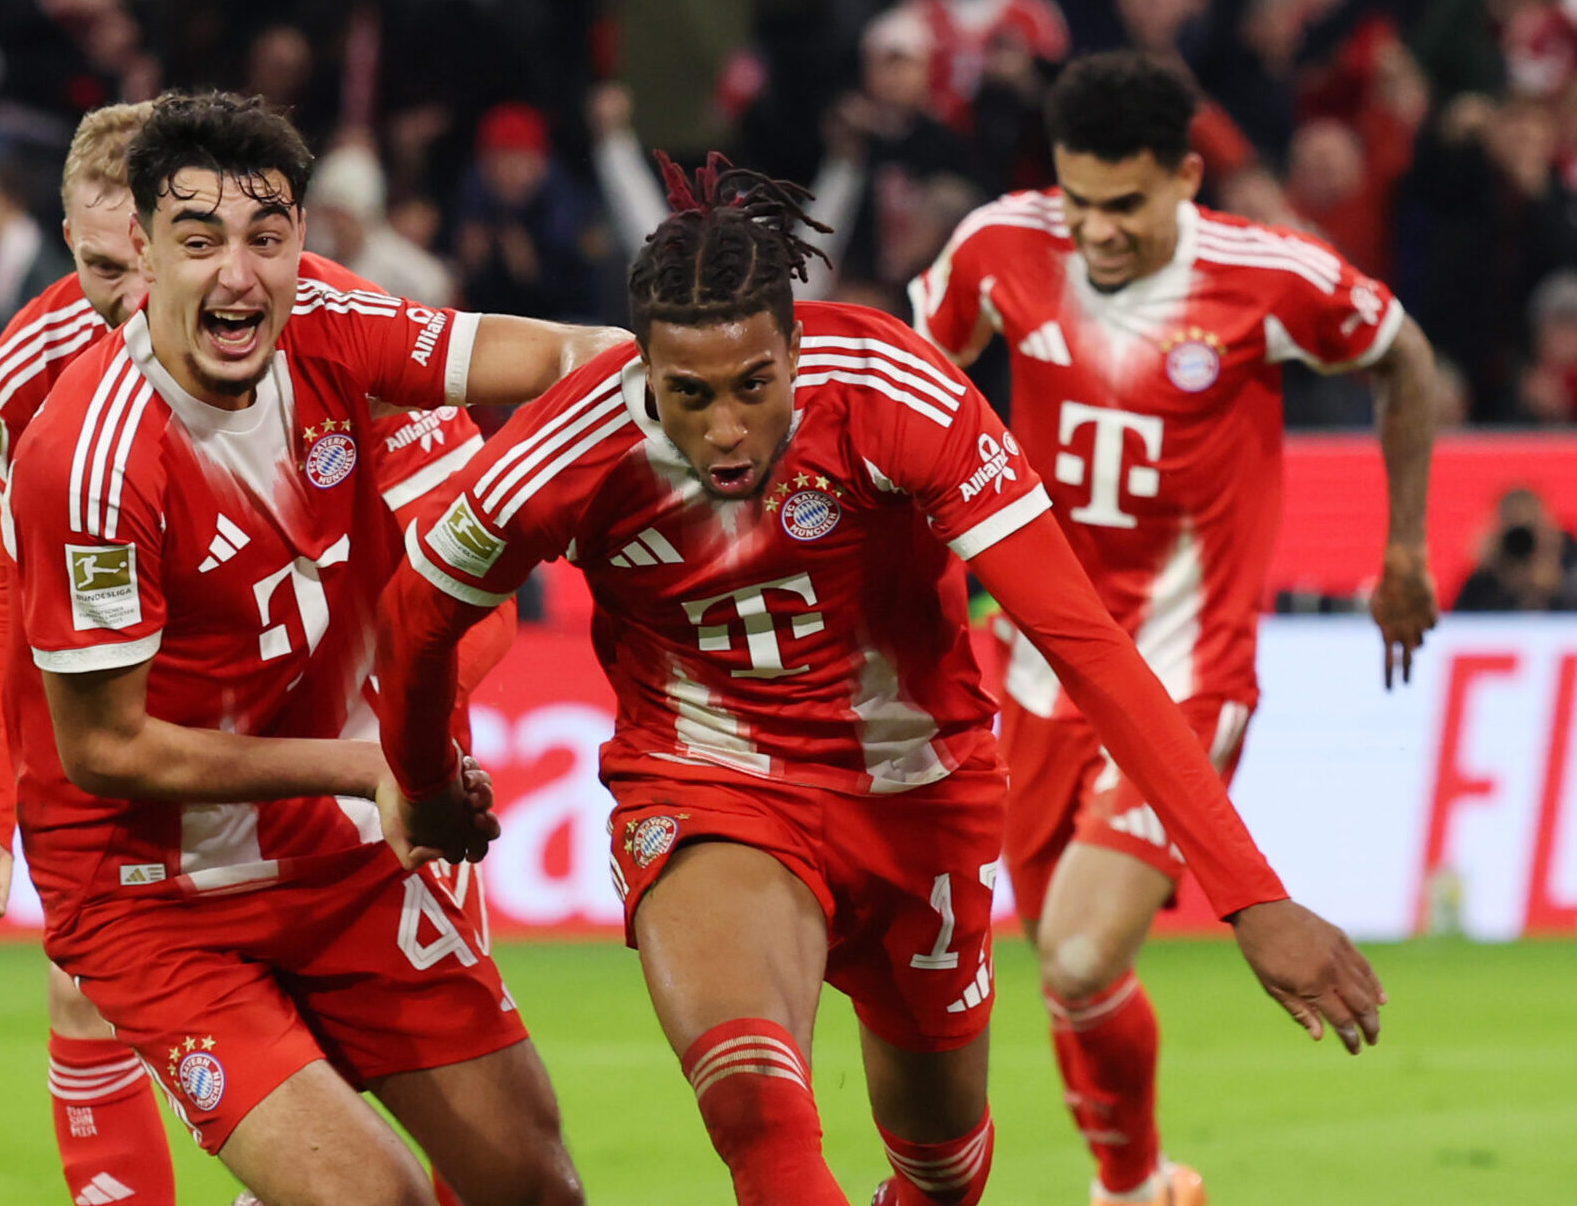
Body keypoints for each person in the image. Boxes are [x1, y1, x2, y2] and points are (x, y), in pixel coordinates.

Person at [373, 152, 1385, 1206]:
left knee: (944, 1169)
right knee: (758, 1111)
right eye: (690, 395)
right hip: (712, 791)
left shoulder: (895, 393)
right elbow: (416, 616)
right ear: (643, 375)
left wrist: (1249, 896)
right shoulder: (565, 451)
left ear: (795, 349)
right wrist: (423, 776)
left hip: (918, 796)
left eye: (753, 387)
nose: (725, 427)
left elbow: (1086, 645)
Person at [0, 93, 594, 1206]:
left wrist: (678, 385)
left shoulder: (342, 322)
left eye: (265, 240)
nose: (235, 274)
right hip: (157, 880)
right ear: (137, 250)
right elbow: (97, 735)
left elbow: (557, 385)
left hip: (347, 835)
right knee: (371, 1194)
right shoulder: (77, 440)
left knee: (530, 1185)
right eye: (193, 245)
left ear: (300, 240)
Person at [906, 52, 1439, 1205]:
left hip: (1186, 666)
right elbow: (913, 387)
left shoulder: (1268, 275)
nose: (1095, 231)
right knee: (1062, 968)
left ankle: (1123, 1189)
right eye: (1078, 200)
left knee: (1086, 951)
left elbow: (1405, 357)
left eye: (1126, 205)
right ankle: (1146, 1185)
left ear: (1188, 176)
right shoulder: (1000, 247)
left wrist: (1402, 547)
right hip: (1036, 665)